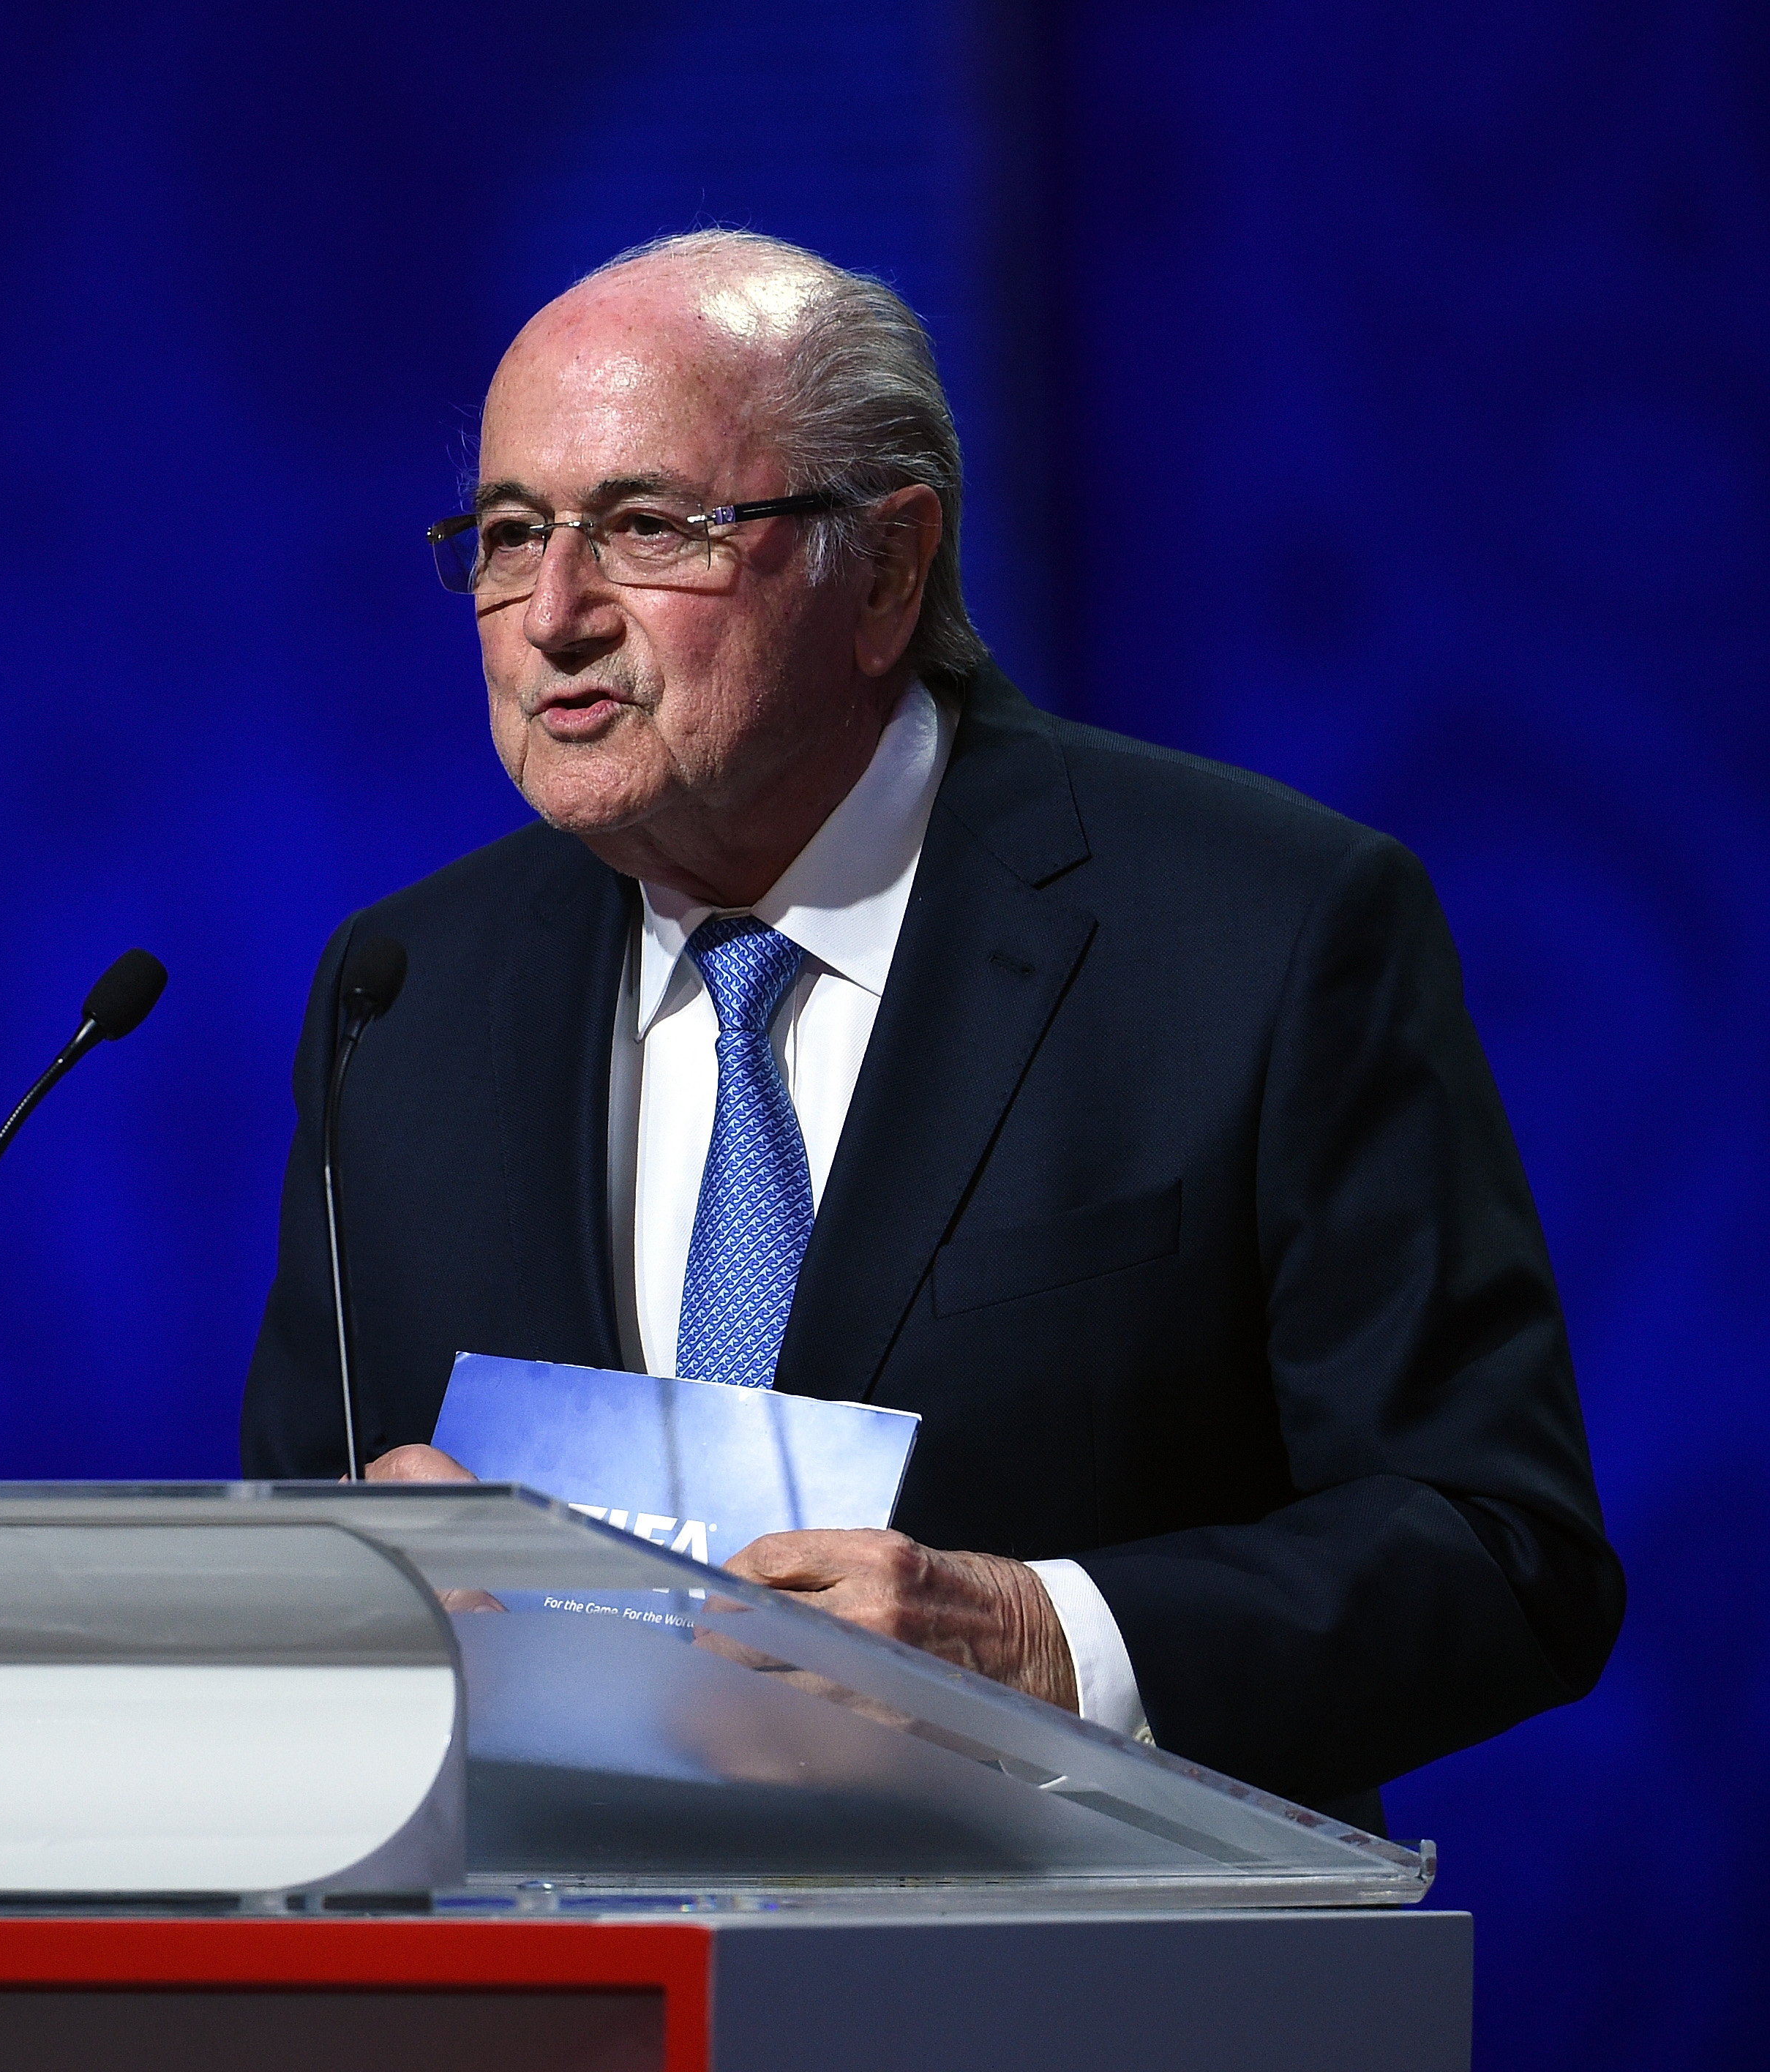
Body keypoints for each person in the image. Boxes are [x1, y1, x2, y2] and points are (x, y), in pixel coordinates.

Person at [239, 229, 1620, 1826]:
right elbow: (297, 1539)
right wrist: (350, 1598)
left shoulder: (1262, 932)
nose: (552, 615)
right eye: (506, 534)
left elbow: (1498, 1547)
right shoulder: (404, 987)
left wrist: (1042, 1644)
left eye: (645, 528)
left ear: (887, 569)